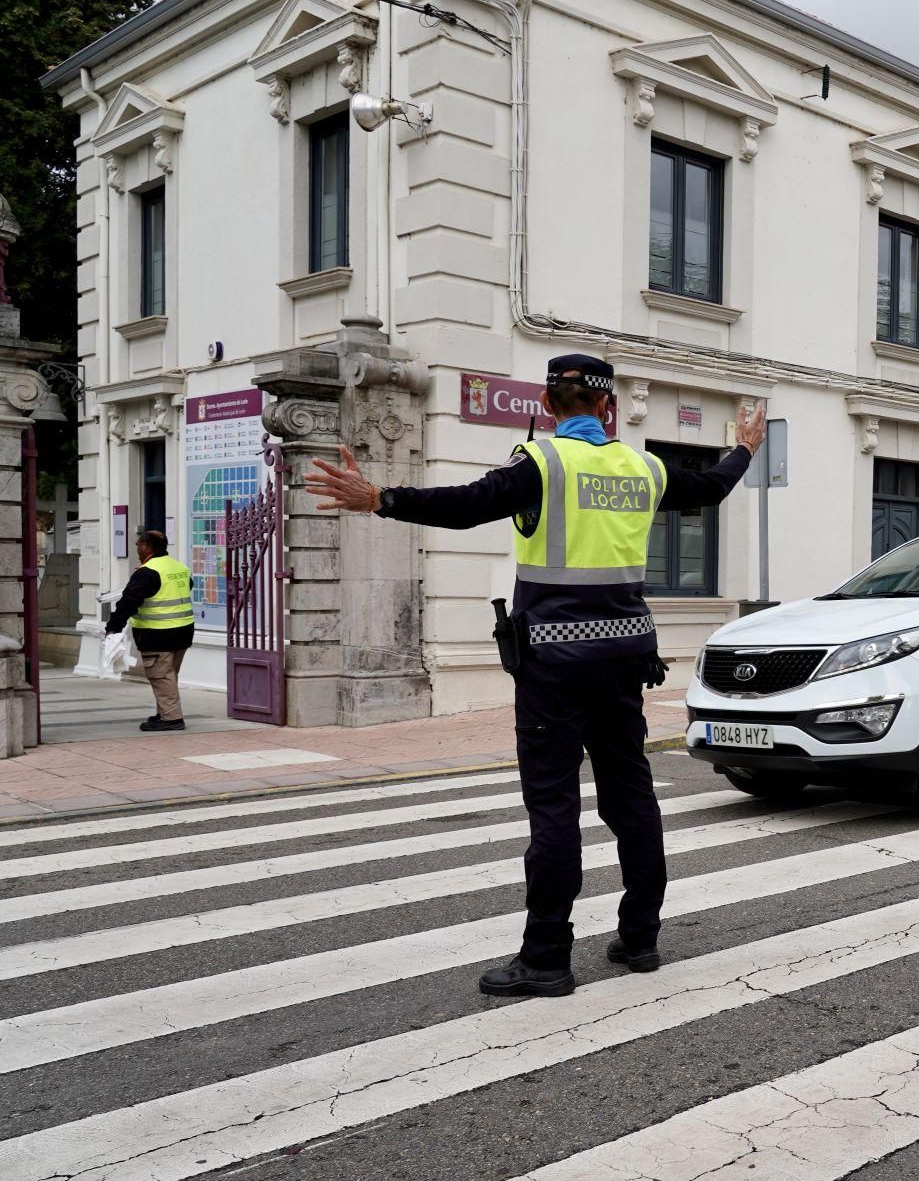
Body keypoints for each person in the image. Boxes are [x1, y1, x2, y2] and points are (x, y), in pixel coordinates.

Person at [305, 354, 766, 997]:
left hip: (553, 665)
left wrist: (380, 498)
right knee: (630, 799)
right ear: (608, 410)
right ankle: (640, 938)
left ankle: (547, 956)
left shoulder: (541, 463)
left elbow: (467, 506)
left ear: (550, 407)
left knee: (553, 808)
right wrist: (743, 449)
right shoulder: (643, 466)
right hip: (624, 661)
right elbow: (711, 488)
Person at [105, 528, 195, 731]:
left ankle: (172, 718)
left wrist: (113, 627)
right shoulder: (178, 567)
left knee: (161, 675)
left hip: (157, 633)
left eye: (138, 545)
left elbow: (128, 601)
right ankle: (164, 711)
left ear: (146, 547)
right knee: (169, 674)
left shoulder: (147, 572)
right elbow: (185, 587)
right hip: (183, 631)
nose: (137, 549)